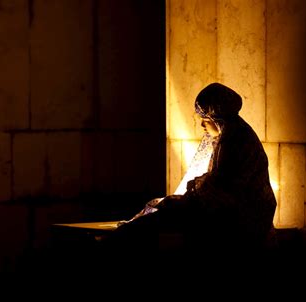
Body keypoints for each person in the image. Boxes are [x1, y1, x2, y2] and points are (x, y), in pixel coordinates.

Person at [109, 82, 277, 253]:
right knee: (163, 208)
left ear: (217, 119)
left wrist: (192, 193)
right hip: (229, 208)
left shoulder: (235, 141)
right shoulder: (231, 136)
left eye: (205, 120)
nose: (202, 126)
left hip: (242, 216)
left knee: (164, 214)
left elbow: (224, 186)